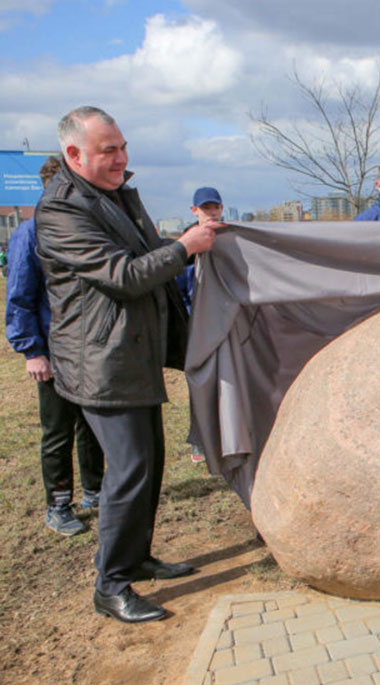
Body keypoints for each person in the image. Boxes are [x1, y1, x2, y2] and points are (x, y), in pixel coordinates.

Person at [35, 106, 219, 623]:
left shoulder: (112, 195)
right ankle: (110, 584)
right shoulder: (61, 210)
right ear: (74, 154)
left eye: (122, 147)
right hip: (101, 362)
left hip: (131, 354)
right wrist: (185, 247)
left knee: (150, 464)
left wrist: (188, 240)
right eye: (108, 151)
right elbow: (123, 275)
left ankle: (136, 557)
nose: (121, 159)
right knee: (130, 469)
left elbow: (143, 250)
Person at [5, 156, 104, 536]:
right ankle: (58, 503)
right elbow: (19, 296)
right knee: (58, 429)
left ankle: (95, 491)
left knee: (91, 425)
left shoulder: (81, 228)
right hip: (51, 350)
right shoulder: (30, 234)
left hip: (86, 349)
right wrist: (32, 350)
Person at [175, 186, 224, 463]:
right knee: (200, 383)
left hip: (226, 323)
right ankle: (199, 440)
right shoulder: (187, 244)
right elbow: (178, 289)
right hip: (197, 327)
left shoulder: (229, 238)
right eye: (206, 208)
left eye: (215, 207)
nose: (211, 212)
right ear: (195, 211)